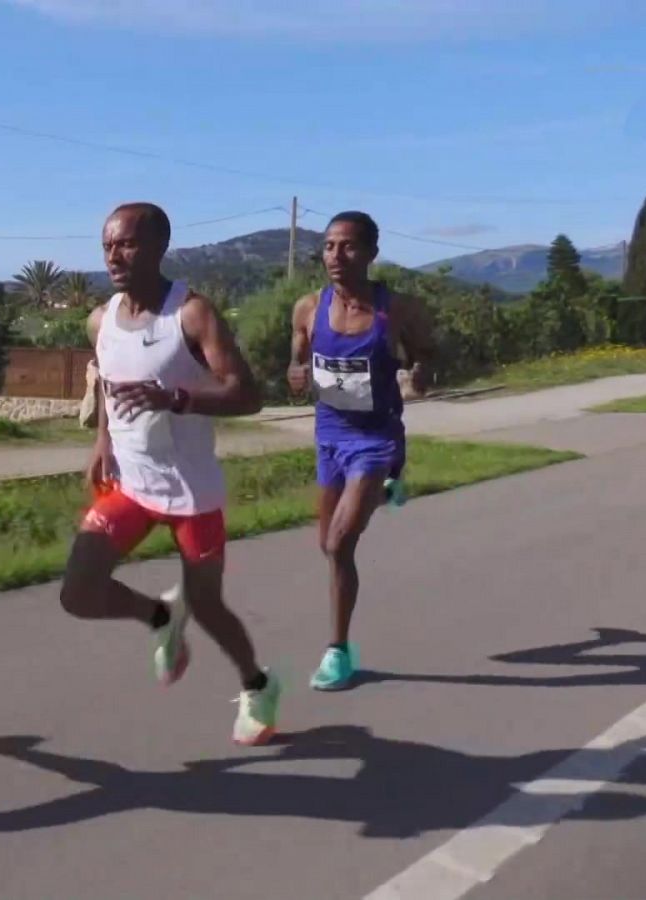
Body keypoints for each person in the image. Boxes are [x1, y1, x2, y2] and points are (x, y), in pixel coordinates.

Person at [62, 201, 281, 747]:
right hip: (132, 487)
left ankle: (258, 685)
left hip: (191, 492)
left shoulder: (191, 314)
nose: (114, 254)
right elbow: (110, 387)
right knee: (78, 591)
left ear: (159, 248)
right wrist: (102, 441)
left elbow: (248, 394)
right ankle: (159, 616)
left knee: (207, 605)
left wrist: (176, 398)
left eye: (128, 244)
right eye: (107, 244)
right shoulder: (100, 320)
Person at [287, 211, 436, 691]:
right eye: (329, 246)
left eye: (348, 246)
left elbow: (428, 350)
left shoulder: (398, 310)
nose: (335, 255)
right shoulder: (309, 307)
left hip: (375, 439)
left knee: (338, 544)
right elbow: (297, 355)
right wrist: (295, 373)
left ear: (371, 253)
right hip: (328, 435)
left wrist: (422, 371)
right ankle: (387, 486)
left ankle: (338, 652)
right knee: (326, 547)